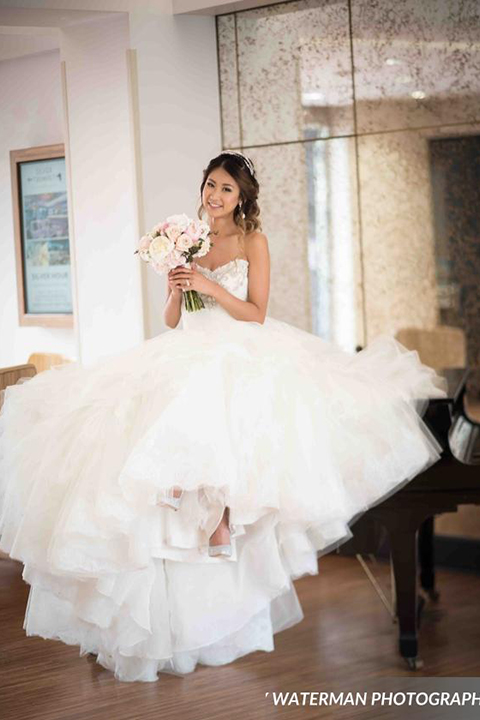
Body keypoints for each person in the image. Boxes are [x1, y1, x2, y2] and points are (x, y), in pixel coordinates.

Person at [0, 151, 447, 683]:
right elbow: (172, 321)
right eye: (211, 185)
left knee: (217, 448)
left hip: (236, 355)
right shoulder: (188, 237)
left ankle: (219, 547)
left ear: (242, 199)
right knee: (150, 480)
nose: (215, 196)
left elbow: (256, 313)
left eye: (227, 190)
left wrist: (210, 286)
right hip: (184, 354)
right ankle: (160, 624)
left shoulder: (251, 242)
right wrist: (176, 286)